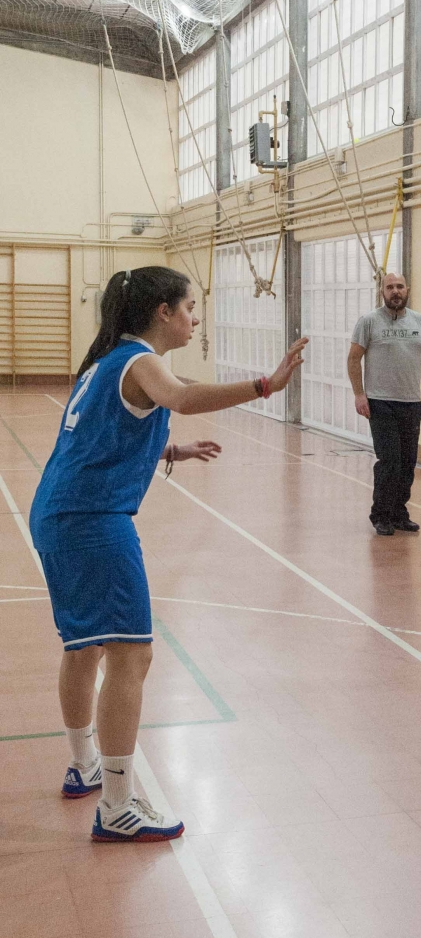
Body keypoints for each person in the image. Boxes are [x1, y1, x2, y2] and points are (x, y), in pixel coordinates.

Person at [30, 265, 307, 842]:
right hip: (93, 520)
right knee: (132, 656)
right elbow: (181, 397)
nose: (194, 319)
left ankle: (83, 765)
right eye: (189, 308)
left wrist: (169, 451)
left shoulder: (106, 362)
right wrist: (265, 385)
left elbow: (98, 436)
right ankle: (117, 806)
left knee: (84, 647)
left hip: (59, 512)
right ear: (163, 312)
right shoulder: (141, 361)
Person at [346, 270, 421, 537]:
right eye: (390, 287)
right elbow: (353, 359)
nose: (395, 291)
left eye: (400, 286)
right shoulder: (369, 322)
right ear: (382, 292)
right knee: (389, 461)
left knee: (408, 462)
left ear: (407, 290)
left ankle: (399, 512)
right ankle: (381, 515)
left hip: (411, 403)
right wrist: (359, 394)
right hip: (380, 402)